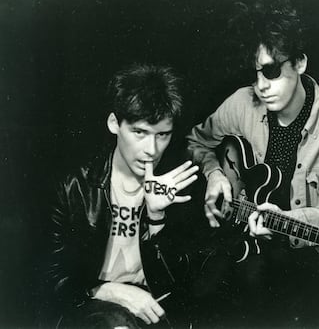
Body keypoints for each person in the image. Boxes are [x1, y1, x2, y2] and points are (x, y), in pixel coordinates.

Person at [187, 0, 319, 326]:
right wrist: (215, 174)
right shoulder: (241, 104)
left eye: (271, 71)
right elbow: (197, 140)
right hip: (243, 245)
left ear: (300, 62)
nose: (261, 86)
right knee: (199, 295)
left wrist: (289, 219)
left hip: (312, 256)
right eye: (255, 72)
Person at [43, 63, 202, 328]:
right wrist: (111, 291)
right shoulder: (75, 187)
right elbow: (51, 280)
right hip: (90, 308)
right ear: (114, 123)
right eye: (139, 132)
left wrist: (157, 216)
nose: (151, 149)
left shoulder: (177, 185)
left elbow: (184, 286)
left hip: (151, 309)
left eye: (162, 135)